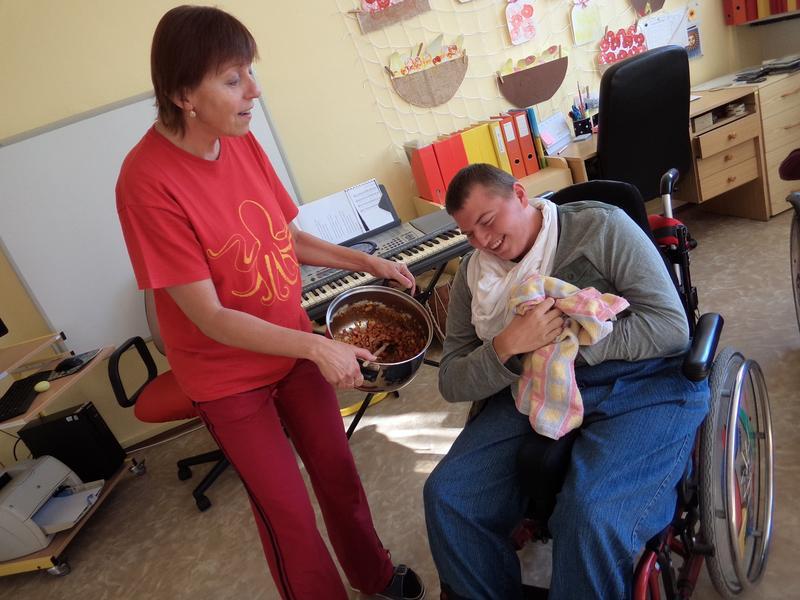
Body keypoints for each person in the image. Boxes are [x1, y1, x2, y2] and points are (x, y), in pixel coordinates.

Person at [115, 6, 424, 600]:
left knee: (338, 475)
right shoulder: (145, 183)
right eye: (233, 79)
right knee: (289, 518)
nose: (254, 91)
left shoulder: (240, 140)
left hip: (292, 347)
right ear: (183, 94)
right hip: (228, 379)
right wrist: (316, 346)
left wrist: (369, 262)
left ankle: (375, 576)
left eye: (249, 73)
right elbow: (211, 317)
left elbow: (287, 237)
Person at [423, 164, 709, 599]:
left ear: (520, 195)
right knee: (449, 496)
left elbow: (670, 327)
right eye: (469, 234)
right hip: (529, 386)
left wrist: (565, 349)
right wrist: (506, 345)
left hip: (637, 380)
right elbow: (451, 379)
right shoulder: (473, 275)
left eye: (487, 221)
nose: (482, 241)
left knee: (590, 515)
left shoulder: (600, 228)